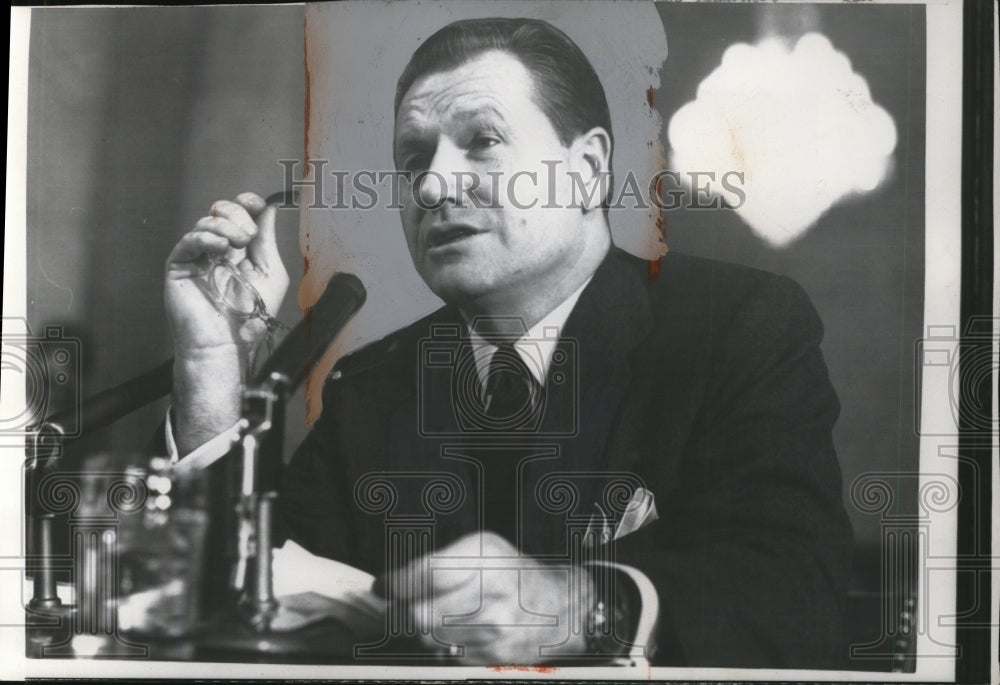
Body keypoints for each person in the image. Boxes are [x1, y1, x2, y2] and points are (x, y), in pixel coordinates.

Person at [164, 18, 853, 668]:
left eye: (483, 141)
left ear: (586, 169)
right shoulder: (374, 385)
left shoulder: (734, 324)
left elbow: (797, 588)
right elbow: (233, 604)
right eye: (413, 158)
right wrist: (210, 370)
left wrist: (581, 606)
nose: (432, 184)